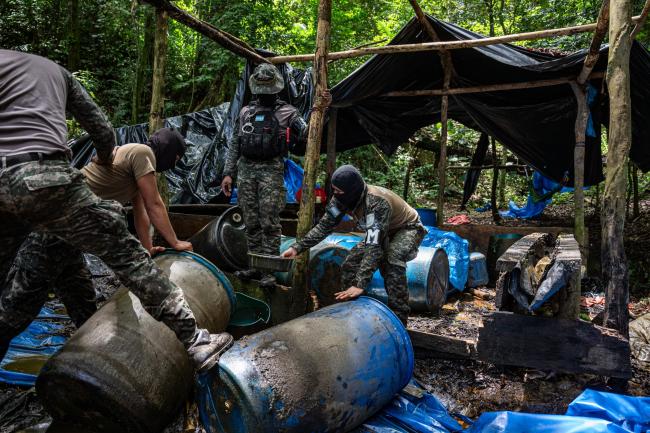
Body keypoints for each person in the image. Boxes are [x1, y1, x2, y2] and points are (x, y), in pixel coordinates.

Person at [0, 49, 231, 372]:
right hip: (51, 192)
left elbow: (139, 209)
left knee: (76, 285)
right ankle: (196, 341)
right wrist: (175, 243)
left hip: (18, 194)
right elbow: (152, 202)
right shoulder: (140, 152)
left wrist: (150, 246)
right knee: (122, 263)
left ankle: (86, 361)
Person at [282, 165, 427, 325]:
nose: (335, 194)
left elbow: (374, 246)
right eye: (334, 190)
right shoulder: (340, 200)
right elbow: (324, 226)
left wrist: (360, 284)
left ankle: (399, 319)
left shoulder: (376, 203)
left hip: (407, 227)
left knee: (392, 260)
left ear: (352, 190)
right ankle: (351, 312)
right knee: (351, 262)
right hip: (380, 232)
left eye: (338, 191)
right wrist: (297, 247)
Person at [220, 63, 309, 287]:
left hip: (271, 170)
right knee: (250, 221)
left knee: (269, 221)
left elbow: (308, 132)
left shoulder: (288, 112)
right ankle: (254, 266)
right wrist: (228, 173)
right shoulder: (245, 112)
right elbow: (235, 144)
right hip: (246, 170)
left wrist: (320, 110)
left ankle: (268, 271)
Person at [81, 127, 191, 255]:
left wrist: (148, 248)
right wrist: (175, 242)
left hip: (80, 210)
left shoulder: (137, 162)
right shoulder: (143, 153)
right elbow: (154, 204)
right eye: (175, 159)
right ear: (168, 149)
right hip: (72, 200)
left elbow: (140, 212)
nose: (172, 165)